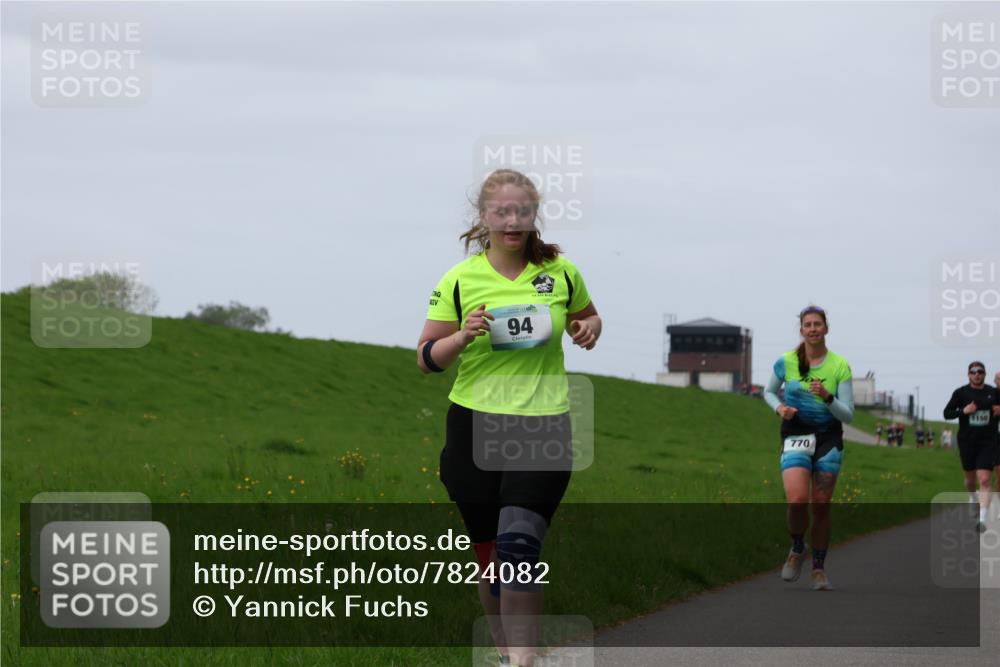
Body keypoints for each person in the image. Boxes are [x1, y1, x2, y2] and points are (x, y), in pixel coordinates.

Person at [417, 169, 601, 666]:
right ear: (484, 217)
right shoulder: (459, 280)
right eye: (502, 211)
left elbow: (589, 315)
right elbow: (427, 357)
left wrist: (588, 329)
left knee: (519, 550)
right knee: (492, 564)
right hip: (473, 429)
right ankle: (506, 655)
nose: (513, 220)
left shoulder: (560, 271)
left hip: (543, 426)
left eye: (522, 210)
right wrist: (463, 335)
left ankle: (523, 659)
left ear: (534, 214)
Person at [764, 305, 854, 591]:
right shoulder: (786, 361)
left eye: (818, 324)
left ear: (826, 328)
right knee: (797, 500)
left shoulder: (839, 366)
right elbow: (768, 391)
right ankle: (797, 547)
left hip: (828, 437)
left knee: (822, 505)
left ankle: (818, 568)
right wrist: (780, 408)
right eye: (808, 325)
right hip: (795, 434)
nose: (813, 329)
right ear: (801, 330)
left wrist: (828, 397)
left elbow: (848, 415)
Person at [942, 362, 1000, 533]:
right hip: (967, 442)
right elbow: (947, 413)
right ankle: (973, 496)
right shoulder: (961, 393)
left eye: (980, 372)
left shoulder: (994, 393)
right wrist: (963, 411)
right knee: (970, 481)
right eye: (973, 372)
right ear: (968, 375)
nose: (977, 375)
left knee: (984, 479)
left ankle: (982, 519)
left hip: (988, 443)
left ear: (984, 374)